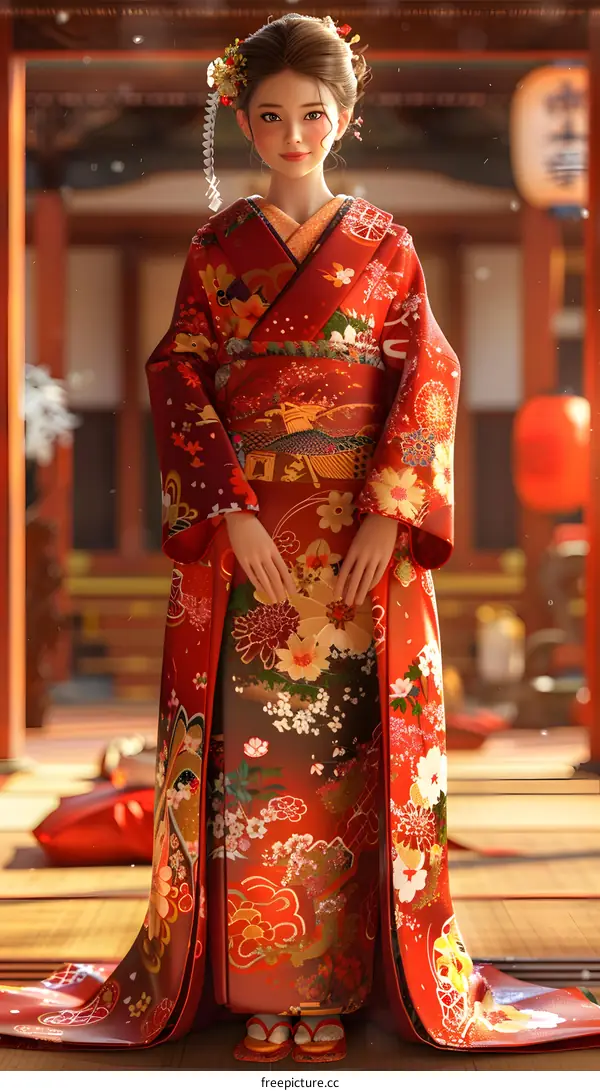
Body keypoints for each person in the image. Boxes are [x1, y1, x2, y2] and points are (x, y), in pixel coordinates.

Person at [1, 10, 600, 1063]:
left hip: (358, 539)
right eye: (270, 114)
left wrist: (385, 509)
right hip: (246, 542)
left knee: (349, 759)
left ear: (345, 118)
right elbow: (178, 372)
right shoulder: (215, 248)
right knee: (252, 759)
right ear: (241, 115)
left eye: (313, 115)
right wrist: (226, 505)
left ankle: (333, 980)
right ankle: (255, 982)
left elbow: (430, 376)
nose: (292, 134)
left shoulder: (387, 247)